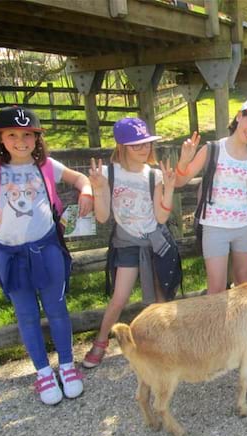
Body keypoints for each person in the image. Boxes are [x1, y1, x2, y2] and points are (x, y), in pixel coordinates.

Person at [0, 106, 93, 405]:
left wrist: (87, 192)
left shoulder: (47, 166)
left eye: (28, 134)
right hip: (11, 256)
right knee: (27, 316)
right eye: (13, 134)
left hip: (48, 250)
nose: (21, 140)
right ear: (0, 138)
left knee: (57, 309)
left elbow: (80, 178)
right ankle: (43, 372)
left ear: (37, 138)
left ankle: (67, 366)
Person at [83, 117, 178, 369]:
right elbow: (102, 216)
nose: (143, 148)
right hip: (126, 244)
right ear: (122, 146)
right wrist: (99, 189)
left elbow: (160, 217)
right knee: (119, 298)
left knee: (161, 298)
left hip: (154, 243)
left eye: (145, 143)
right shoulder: (107, 174)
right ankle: (101, 341)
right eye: (136, 145)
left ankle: (163, 344)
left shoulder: (154, 175)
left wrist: (168, 188)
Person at [174, 99, 247, 294]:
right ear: (239, 116)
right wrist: (184, 161)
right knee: (216, 287)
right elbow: (178, 182)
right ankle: (215, 325)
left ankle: (237, 324)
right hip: (214, 227)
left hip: (244, 228)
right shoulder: (212, 149)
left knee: (243, 283)